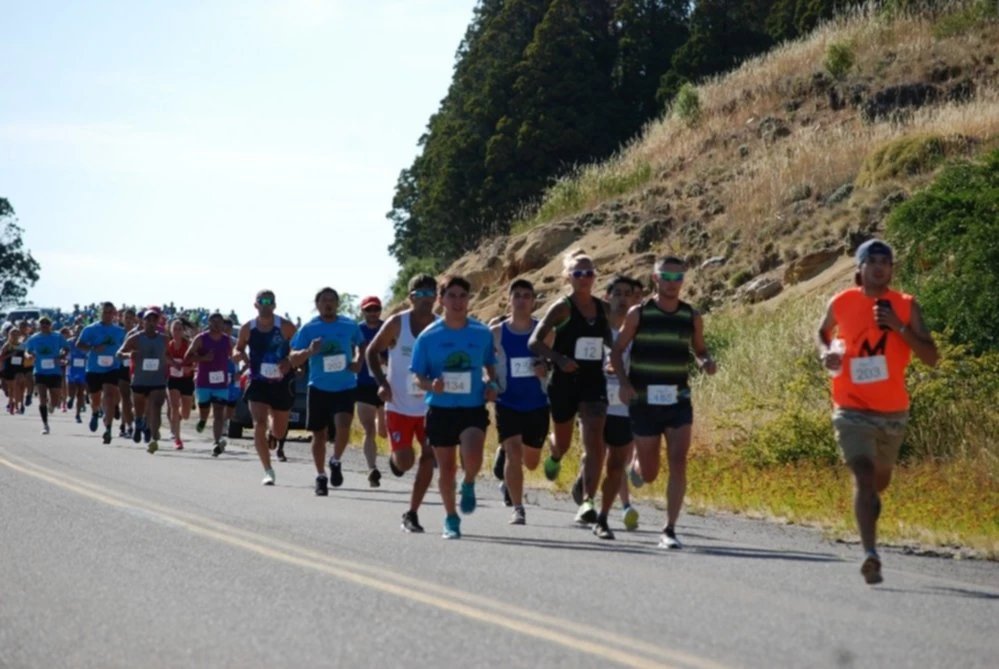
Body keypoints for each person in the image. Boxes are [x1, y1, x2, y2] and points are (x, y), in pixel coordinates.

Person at [817, 239, 939, 585]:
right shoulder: (841, 301)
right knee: (864, 475)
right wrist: (827, 353)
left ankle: (869, 508)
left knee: (879, 481)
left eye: (887, 261)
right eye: (873, 260)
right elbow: (822, 332)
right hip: (850, 407)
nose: (880, 266)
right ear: (859, 268)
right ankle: (871, 554)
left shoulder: (905, 305)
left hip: (892, 412)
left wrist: (898, 328)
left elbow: (931, 357)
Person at [612, 256, 717, 550]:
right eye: (666, 277)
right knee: (650, 473)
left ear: (684, 280)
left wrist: (706, 361)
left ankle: (669, 528)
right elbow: (616, 352)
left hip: (678, 400)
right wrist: (623, 382)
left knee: (679, 462)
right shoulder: (639, 314)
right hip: (644, 402)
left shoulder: (691, 316)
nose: (672, 284)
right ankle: (637, 467)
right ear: (655, 279)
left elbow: (700, 349)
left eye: (678, 277)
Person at [411, 276, 498, 539]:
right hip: (440, 408)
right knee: (446, 468)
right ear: (441, 300)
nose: (458, 302)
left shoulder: (481, 332)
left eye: (463, 296)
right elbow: (418, 376)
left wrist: (491, 383)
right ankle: (451, 518)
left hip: (472, 406)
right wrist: (431, 384)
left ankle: (469, 482)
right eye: (452, 296)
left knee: (473, 457)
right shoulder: (429, 337)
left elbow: (490, 365)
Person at [529, 250, 612, 525]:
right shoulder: (562, 307)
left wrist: (615, 360)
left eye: (589, 273)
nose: (585, 278)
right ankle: (554, 454)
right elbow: (534, 342)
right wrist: (559, 359)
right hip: (564, 382)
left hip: (593, 382)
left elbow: (612, 343)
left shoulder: (603, 309)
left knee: (595, 442)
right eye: (578, 273)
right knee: (563, 443)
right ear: (568, 277)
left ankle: (587, 501)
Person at [365, 274, 439, 533]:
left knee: (429, 457)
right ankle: (396, 462)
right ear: (411, 297)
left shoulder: (440, 327)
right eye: (421, 294)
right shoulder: (398, 323)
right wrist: (382, 384)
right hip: (399, 405)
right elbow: (371, 352)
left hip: (431, 406)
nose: (426, 299)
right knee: (406, 461)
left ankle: (412, 513)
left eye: (431, 293)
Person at [289, 288, 363, 496]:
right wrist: (310, 351)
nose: (328, 304)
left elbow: (361, 344)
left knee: (343, 426)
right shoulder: (309, 328)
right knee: (319, 434)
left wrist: (358, 359)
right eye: (324, 300)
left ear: (337, 303)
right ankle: (321, 476)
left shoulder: (349, 325)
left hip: (345, 385)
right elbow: (293, 358)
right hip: (319, 386)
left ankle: (336, 460)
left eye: (332, 300)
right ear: (317, 304)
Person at [491, 279, 550, 525]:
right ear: (509, 299)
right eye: (517, 295)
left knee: (532, 462)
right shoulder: (496, 332)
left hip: (537, 402)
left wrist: (545, 368)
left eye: (527, 295)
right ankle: (518, 507)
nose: (522, 300)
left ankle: (503, 455)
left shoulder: (545, 331)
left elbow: (556, 363)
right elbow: (486, 363)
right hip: (508, 401)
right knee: (515, 454)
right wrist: (490, 382)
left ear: (533, 300)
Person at [234, 290, 298, 486]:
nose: (266, 304)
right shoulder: (248, 328)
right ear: (256, 305)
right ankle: (268, 470)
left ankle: (274, 434)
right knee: (258, 424)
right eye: (262, 301)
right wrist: (238, 355)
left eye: (270, 301)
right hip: (258, 381)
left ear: (275, 305)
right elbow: (238, 347)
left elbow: (298, 348)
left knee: (279, 432)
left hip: (282, 382)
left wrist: (290, 360)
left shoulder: (286, 327)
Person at [118, 309, 169, 453]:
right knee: (140, 410)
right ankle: (139, 423)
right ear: (143, 322)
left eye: (154, 320)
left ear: (158, 322)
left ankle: (153, 439)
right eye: (148, 320)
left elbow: (170, 354)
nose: (151, 323)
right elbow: (118, 354)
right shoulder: (135, 338)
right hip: (139, 380)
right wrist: (129, 354)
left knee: (156, 408)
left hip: (158, 380)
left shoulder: (164, 339)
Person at [76, 302, 127, 444]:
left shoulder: (119, 331)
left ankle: (108, 429)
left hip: (112, 367)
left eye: (111, 312)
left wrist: (124, 355)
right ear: (101, 313)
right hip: (94, 368)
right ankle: (94, 412)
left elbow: (125, 346)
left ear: (114, 314)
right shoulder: (90, 329)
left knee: (110, 395)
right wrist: (93, 347)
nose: (108, 315)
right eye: (105, 312)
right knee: (96, 398)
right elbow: (79, 344)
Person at [185, 312, 233, 455]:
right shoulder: (201, 339)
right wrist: (203, 358)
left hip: (221, 382)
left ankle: (216, 442)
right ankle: (202, 419)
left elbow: (232, 356)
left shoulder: (227, 340)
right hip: (204, 382)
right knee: (204, 410)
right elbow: (187, 357)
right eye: (214, 322)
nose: (217, 325)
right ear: (209, 323)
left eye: (220, 322)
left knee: (219, 413)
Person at [355, 295, 387, 487]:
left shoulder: (389, 327)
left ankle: (394, 459)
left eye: (376, 309)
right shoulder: (357, 330)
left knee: (384, 431)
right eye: (369, 310)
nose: (373, 313)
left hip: (386, 383)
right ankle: (372, 468)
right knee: (369, 430)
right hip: (364, 384)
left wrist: (386, 361)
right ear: (363, 311)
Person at [24, 317, 69, 434]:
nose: (44, 325)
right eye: (42, 323)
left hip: (55, 371)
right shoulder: (34, 338)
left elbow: (66, 348)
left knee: (55, 400)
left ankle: (52, 404)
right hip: (40, 371)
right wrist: (28, 355)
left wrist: (62, 355)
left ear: (51, 325)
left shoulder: (57, 336)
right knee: (42, 398)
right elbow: (27, 350)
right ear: (39, 325)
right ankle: (45, 425)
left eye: (47, 323)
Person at [166, 320, 196, 449]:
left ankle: (177, 417)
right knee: (174, 406)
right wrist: (172, 363)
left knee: (185, 414)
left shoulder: (188, 345)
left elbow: (196, 360)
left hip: (186, 379)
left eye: (179, 329)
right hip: (173, 379)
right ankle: (178, 440)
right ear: (171, 331)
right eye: (175, 329)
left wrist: (191, 368)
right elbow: (164, 357)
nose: (177, 332)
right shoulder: (168, 345)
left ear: (183, 331)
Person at [117, 307, 139, 438]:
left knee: (134, 400)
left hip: (136, 368)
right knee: (125, 398)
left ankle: (126, 422)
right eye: (126, 318)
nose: (129, 320)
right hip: (122, 368)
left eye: (131, 318)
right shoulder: (117, 332)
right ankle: (127, 425)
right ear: (122, 319)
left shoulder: (139, 333)